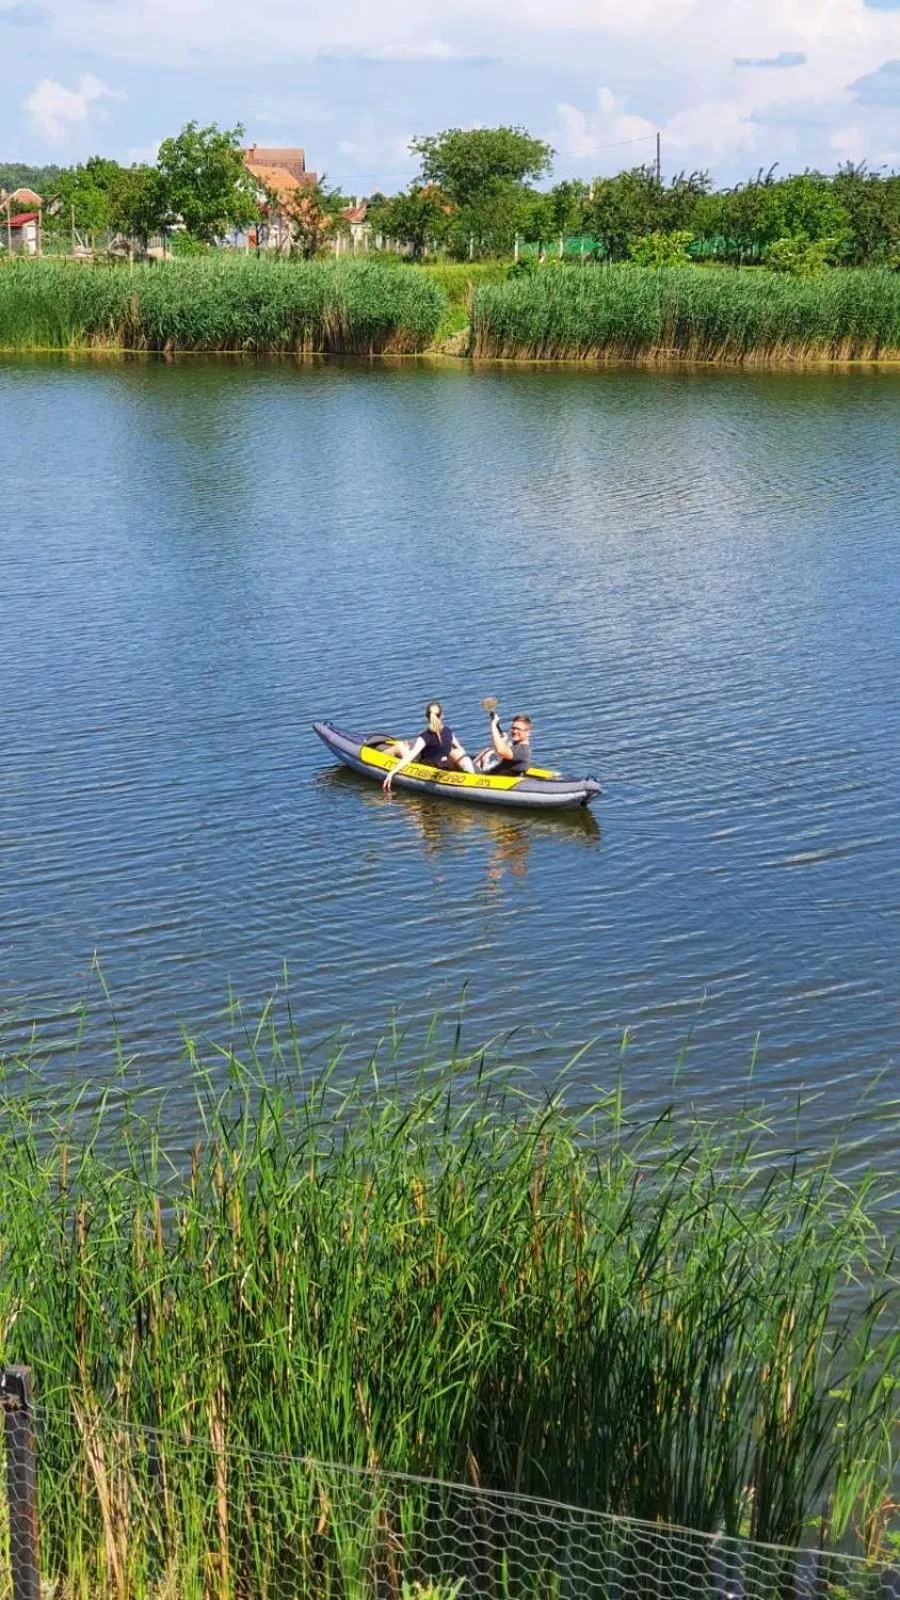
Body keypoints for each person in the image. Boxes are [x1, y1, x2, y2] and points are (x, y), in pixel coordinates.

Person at [383, 701, 474, 793]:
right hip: (447, 763)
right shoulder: (448, 731)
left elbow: (409, 757)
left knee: (400, 746)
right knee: (457, 752)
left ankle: (380, 755)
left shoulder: (425, 737)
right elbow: (460, 749)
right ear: (442, 715)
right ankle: (474, 774)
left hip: (432, 765)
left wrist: (392, 772)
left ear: (427, 717)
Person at [475, 710, 533, 775]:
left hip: (484, 776)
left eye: (518, 729)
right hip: (486, 771)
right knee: (487, 750)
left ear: (528, 732)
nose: (514, 731)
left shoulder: (523, 750)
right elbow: (498, 749)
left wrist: (493, 725)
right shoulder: (514, 745)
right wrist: (503, 740)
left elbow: (500, 750)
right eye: (513, 728)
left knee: (460, 750)